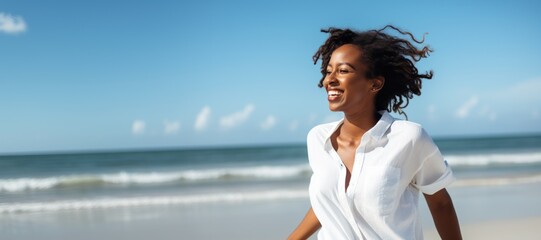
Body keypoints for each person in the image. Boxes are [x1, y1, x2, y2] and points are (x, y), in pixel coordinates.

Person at [288, 25, 462, 240]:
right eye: (328, 70)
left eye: (343, 71)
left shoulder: (408, 138)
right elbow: (331, 202)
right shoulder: (317, 139)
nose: (329, 79)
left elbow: (440, 202)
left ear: (375, 84)